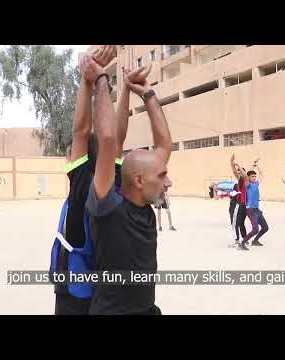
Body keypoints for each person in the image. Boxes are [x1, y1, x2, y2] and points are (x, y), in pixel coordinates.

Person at [84, 58, 172, 315]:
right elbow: (110, 139)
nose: (168, 181)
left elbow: (164, 143)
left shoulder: (145, 201)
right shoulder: (108, 208)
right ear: (138, 180)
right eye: (162, 175)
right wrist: (102, 79)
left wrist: (147, 94)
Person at [52, 46, 117, 315]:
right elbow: (115, 137)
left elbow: (80, 131)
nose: (69, 156)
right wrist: (105, 85)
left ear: (80, 161)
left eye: (72, 154)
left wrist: (87, 79)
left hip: (75, 292)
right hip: (99, 290)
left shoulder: (81, 192)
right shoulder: (112, 184)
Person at [239, 160, 269, 250]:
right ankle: (242, 243)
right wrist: (239, 166)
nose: (254, 178)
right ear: (248, 177)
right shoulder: (247, 184)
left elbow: (262, 175)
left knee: (265, 227)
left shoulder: (256, 183)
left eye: (255, 176)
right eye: (252, 176)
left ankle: (255, 240)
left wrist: (257, 165)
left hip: (257, 209)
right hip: (250, 210)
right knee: (255, 229)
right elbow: (244, 175)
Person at [230, 154, 248, 246]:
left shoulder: (246, 181)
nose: (239, 173)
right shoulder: (239, 181)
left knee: (241, 223)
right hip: (239, 204)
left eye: (240, 172)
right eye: (239, 172)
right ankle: (239, 239)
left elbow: (244, 175)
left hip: (245, 205)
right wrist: (232, 163)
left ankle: (245, 238)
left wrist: (238, 165)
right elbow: (234, 172)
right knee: (237, 222)